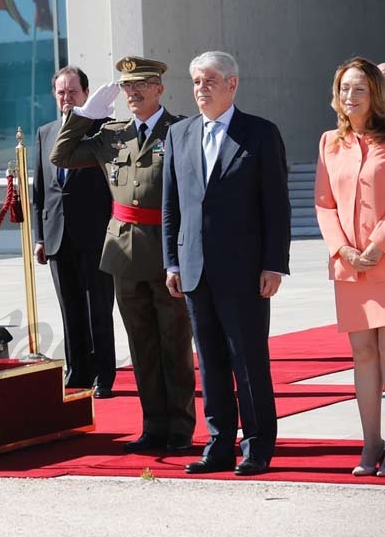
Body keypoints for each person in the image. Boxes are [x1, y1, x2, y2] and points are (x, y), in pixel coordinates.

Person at [51, 56, 195, 454]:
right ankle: (153, 426)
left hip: (168, 251)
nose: (133, 92)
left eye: (142, 85)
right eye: (127, 87)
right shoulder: (112, 135)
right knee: (142, 345)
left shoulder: (180, 130)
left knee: (174, 344)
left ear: (159, 88)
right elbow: (60, 156)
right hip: (124, 252)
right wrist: (83, 116)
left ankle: (180, 428)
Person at [162, 51, 290, 477]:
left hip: (245, 271)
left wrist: (274, 263)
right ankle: (219, 443)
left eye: (210, 81)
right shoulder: (179, 134)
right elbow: (170, 207)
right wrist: (172, 262)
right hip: (195, 270)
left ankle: (256, 445)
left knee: (249, 361)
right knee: (211, 362)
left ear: (232, 84)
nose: (201, 89)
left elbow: (276, 206)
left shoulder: (260, 133)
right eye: (196, 81)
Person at [314, 56, 385, 478]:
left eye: (359, 88)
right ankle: (371, 443)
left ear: (375, 93)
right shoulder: (329, 142)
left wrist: (375, 246)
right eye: (343, 88)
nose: (350, 96)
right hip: (350, 266)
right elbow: (324, 204)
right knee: (362, 354)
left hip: (384, 258)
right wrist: (343, 250)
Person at [31, 66, 116, 398]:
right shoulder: (45, 132)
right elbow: (40, 190)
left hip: (95, 234)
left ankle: (103, 375)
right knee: (70, 307)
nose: (66, 99)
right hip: (57, 235)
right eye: (61, 93)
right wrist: (40, 236)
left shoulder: (103, 130)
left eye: (73, 92)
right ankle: (77, 369)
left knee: (99, 308)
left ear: (86, 93)